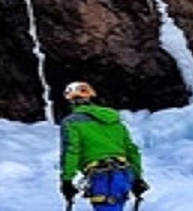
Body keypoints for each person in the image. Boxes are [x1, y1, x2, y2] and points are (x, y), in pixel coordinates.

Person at [58, 81, 148, 210]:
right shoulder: (114, 120)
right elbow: (132, 151)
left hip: (102, 177)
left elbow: (71, 150)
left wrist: (66, 180)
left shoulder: (71, 122)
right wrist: (137, 179)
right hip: (124, 173)